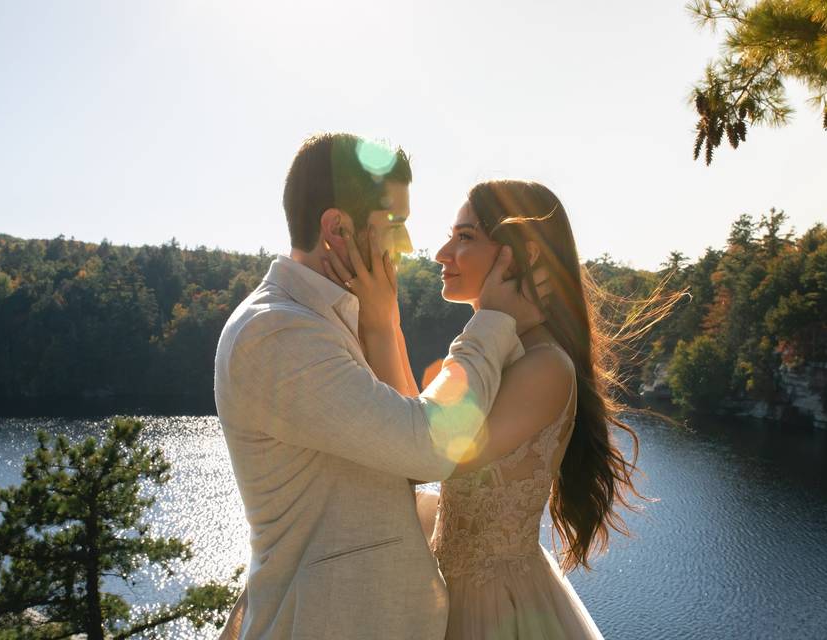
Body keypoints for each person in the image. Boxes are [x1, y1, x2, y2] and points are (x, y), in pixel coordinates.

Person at [214, 135, 545, 639]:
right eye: (395, 224)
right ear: (335, 229)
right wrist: (492, 323)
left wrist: (383, 322)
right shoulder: (278, 333)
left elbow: (396, 469)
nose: (410, 245)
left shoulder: (327, 319)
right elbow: (429, 447)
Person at [325, 179, 669, 639]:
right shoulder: (502, 348)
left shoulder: (546, 367)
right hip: (446, 588)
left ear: (519, 255)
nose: (442, 252)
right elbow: (411, 422)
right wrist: (385, 325)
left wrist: (488, 318)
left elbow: (426, 454)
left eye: (465, 237)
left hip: (496, 612)